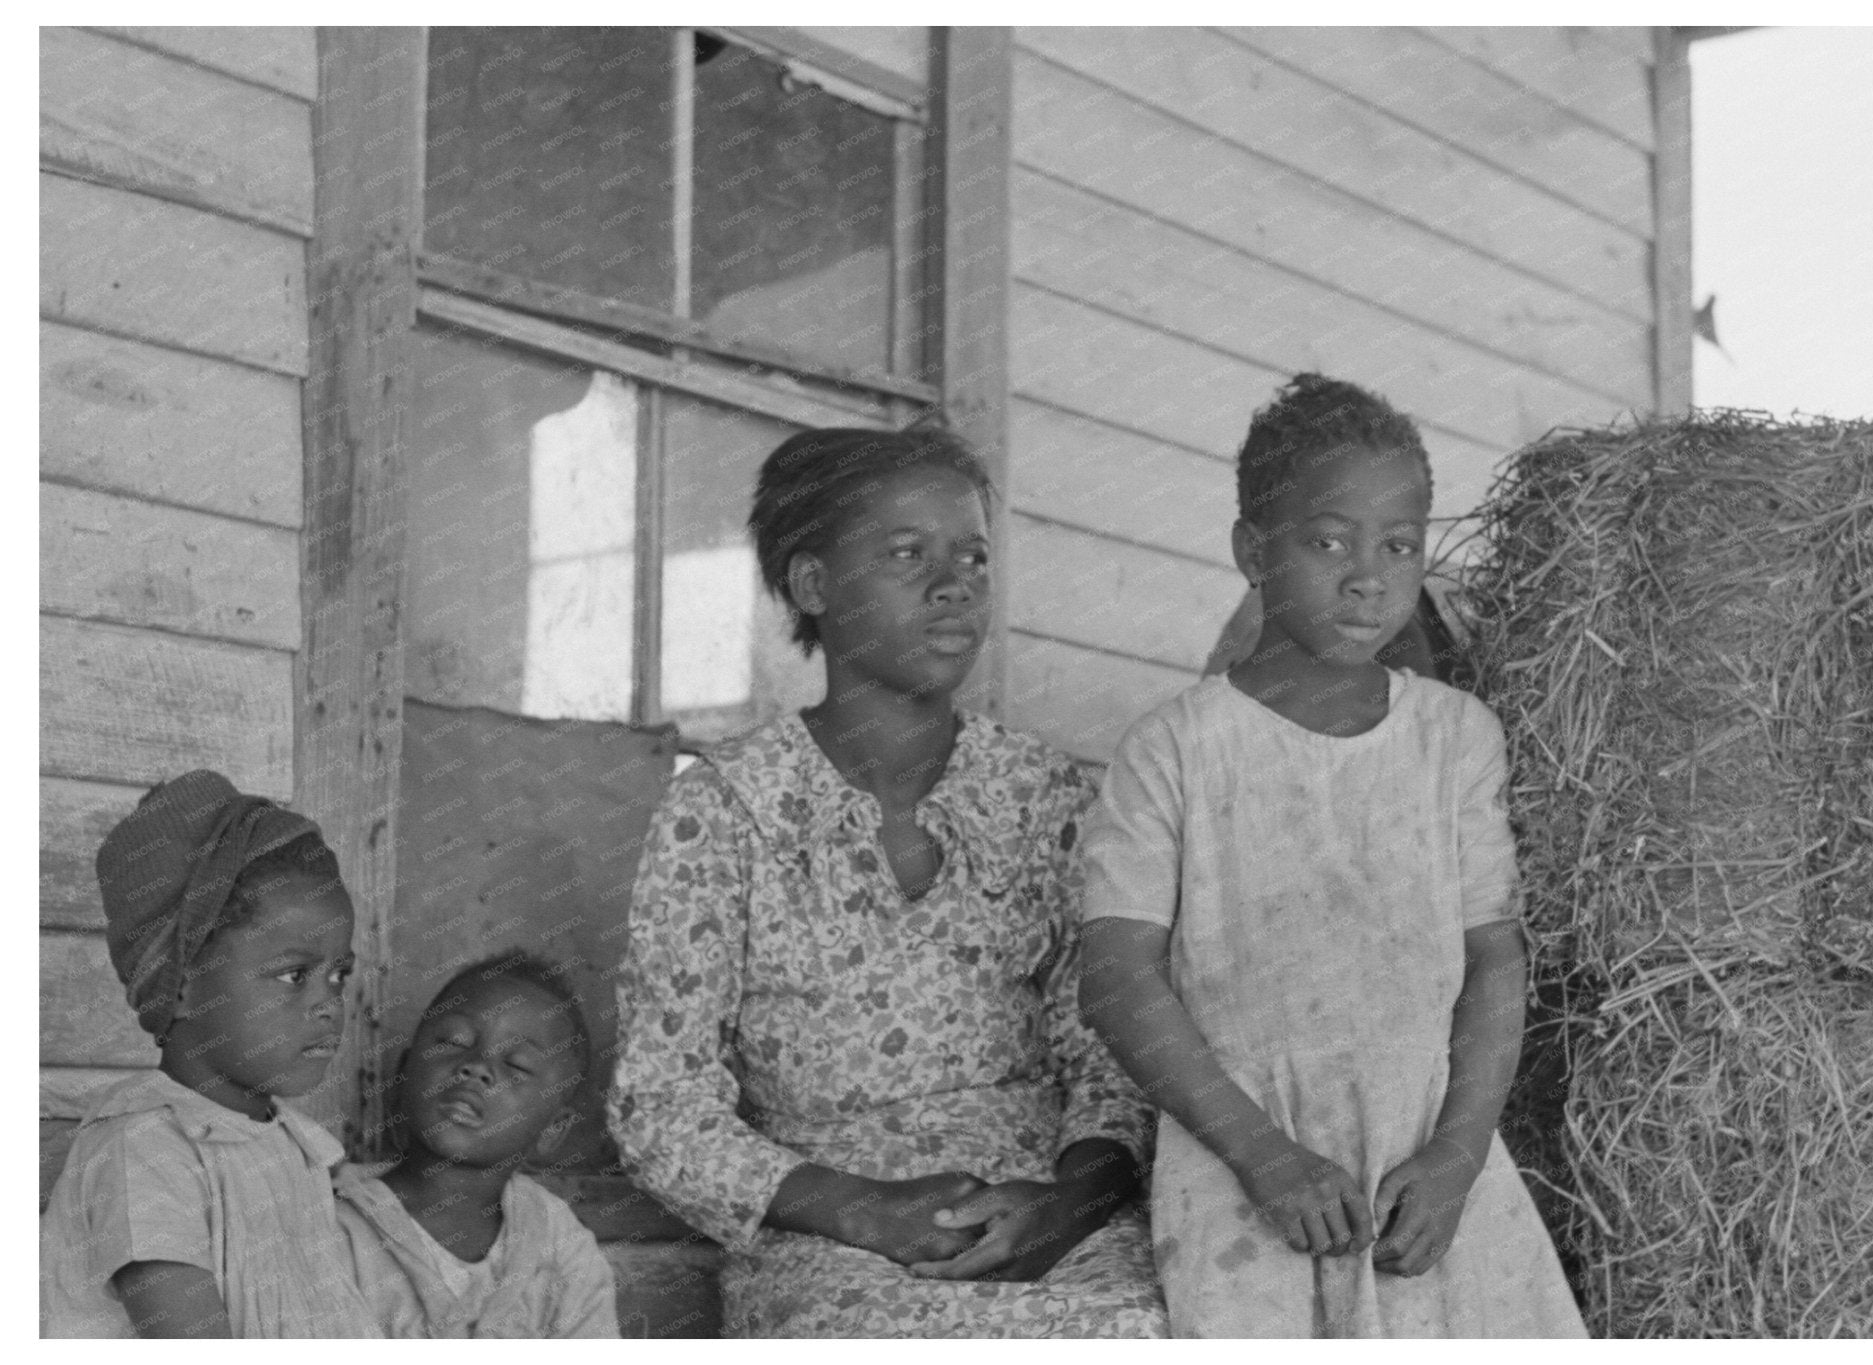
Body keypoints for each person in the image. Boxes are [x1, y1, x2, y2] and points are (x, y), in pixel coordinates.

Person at [608, 425, 1168, 1337]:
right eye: (907, 553)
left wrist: (1066, 1203)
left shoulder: (1049, 799)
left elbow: (1111, 1054)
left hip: (1049, 1212)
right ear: (814, 585)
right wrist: (862, 1208)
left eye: (973, 558)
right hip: (832, 1228)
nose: (953, 584)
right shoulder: (726, 810)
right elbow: (661, 1104)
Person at [1078, 375, 1586, 1338]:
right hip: (1242, 1170)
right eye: (1328, 540)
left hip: (1428, 1165)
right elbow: (1115, 981)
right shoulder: (1177, 748)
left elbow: (1493, 956)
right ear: (1251, 551)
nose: (1369, 575)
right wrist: (1264, 1156)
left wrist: (1459, 1155)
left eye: (1399, 544)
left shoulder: (1454, 738)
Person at [40, 770, 380, 1337]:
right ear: (182, 985)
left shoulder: (290, 1144)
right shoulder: (143, 1149)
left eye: (339, 974)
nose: (329, 1004)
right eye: (295, 975)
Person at [332, 951, 619, 1337]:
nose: (477, 1067)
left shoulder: (561, 1248)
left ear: (553, 1128)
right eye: (454, 1041)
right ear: (402, 1074)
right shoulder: (334, 1225)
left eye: (516, 1065)